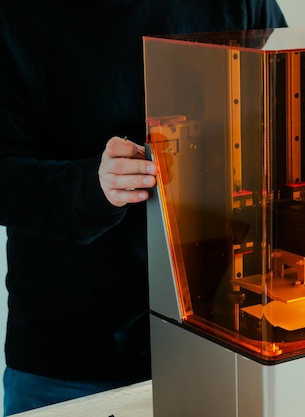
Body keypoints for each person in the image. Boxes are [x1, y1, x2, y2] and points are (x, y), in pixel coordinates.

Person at [0, 1, 287, 415]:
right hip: (72, 362)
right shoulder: (16, 18)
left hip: (224, 339)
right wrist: (92, 186)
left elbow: (274, 100)